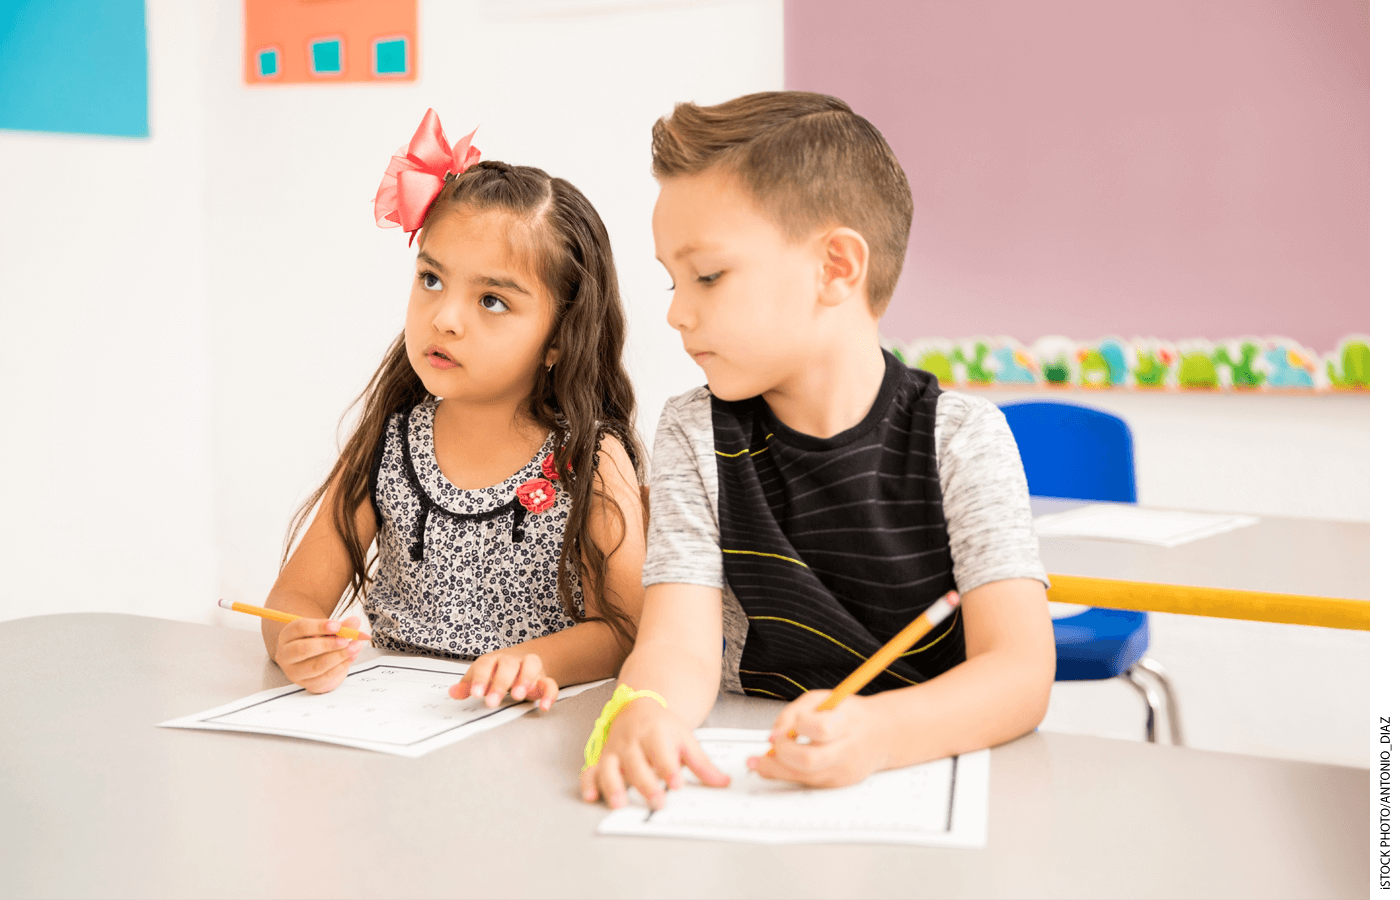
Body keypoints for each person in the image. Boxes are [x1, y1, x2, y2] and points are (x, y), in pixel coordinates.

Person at [581, 92, 1055, 808]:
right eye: (673, 281)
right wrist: (645, 709)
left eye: (707, 275)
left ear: (836, 267)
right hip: (745, 772)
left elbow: (1019, 672)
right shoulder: (694, 431)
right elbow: (679, 645)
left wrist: (878, 733)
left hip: (920, 775)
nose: (677, 312)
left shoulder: (962, 438)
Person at [262, 110, 646, 711]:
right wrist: (294, 636)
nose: (445, 318)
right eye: (432, 280)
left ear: (559, 339)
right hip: (388, 725)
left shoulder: (591, 460)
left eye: (491, 300)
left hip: (524, 726)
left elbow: (626, 631)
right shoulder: (389, 443)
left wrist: (534, 661)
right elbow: (294, 596)